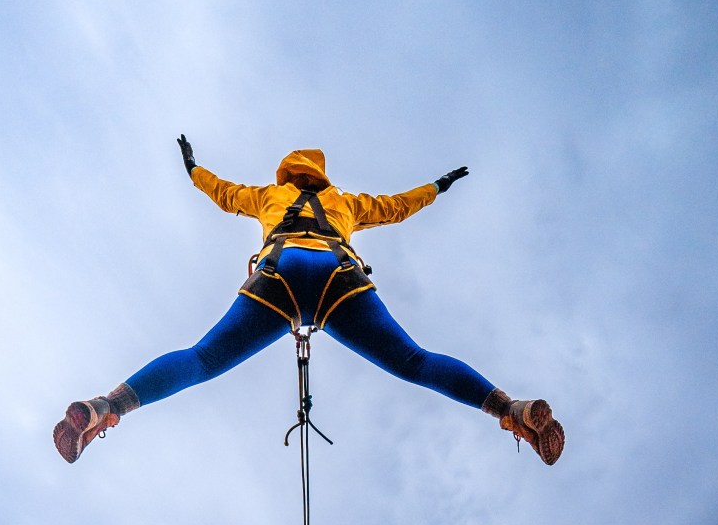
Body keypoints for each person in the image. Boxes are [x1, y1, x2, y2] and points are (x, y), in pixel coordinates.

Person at [53, 138, 564, 465]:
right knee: (414, 361)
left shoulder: (266, 196)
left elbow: (222, 192)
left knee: (204, 359)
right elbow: (399, 206)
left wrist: (192, 169)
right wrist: (438, 186)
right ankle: (511, 408)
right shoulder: (345, 201)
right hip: (339, 277)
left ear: (285, 174)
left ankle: (106, 406)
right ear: (319, 173)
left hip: (277, 274)